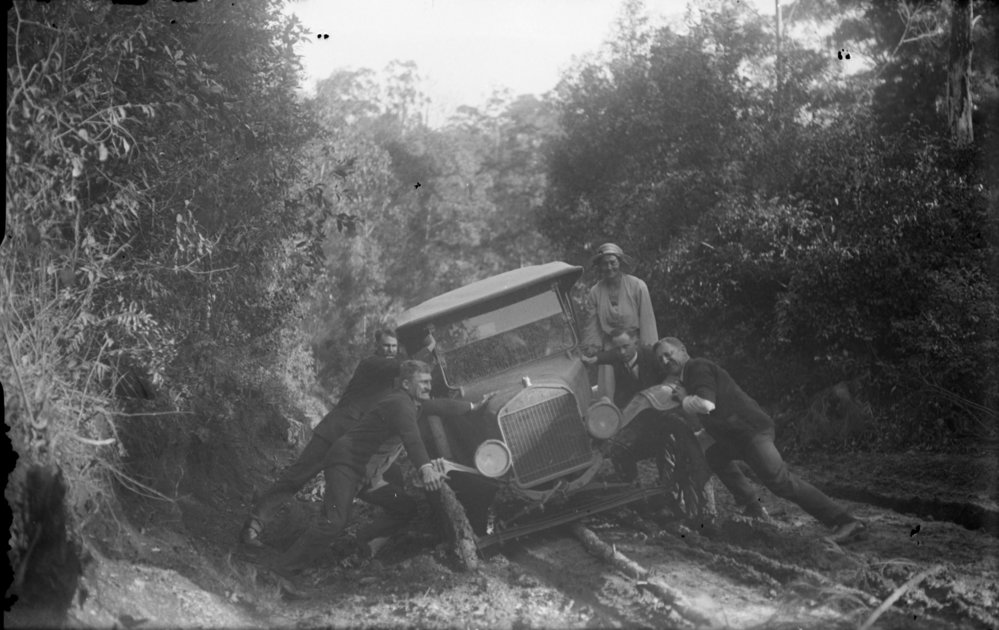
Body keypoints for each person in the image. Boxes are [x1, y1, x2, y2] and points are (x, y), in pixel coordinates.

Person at [267, 360, 492, 577]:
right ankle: (281, 568)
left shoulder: (412, 402)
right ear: (405, 384)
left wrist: (473, 406)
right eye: (422, 382)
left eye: (429, 381)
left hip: (368, 475)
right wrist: (425, 468)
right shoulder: (400, 405)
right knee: (333, 521)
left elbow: (440, 405)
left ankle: (362, 538)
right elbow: (412, 439)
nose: (428, 386)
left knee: (404, 506)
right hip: (346, 467)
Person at [655, 337, 867, 543]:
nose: (665, 361)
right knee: (715, 456)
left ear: (682, 350)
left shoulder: (696, 367)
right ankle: (753, 506)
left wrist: (684, 399)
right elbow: (717, 413)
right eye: (660, 358)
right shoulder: (687, 377)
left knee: (780, 482)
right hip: (737, 435)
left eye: (668, 354)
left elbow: (706, 405)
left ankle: (845, 521)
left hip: (751, 431)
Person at [239, 328, 430, 547]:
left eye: (393, 347)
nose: (390, 350)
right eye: (386, 345)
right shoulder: (372, 364)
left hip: (352, 450)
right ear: (376, 347)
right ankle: (253, 526)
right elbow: (407, 368)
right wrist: (429, 347)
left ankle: (350, 543)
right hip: (333, 434)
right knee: (297, 477)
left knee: (385, 486)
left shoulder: (397, 383)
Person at [582, 243, 658, 402]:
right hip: (611, 347)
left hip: (634, 344)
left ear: (620, 263)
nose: (609, 267)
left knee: (646, 386)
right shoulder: (595, 292)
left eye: (612, 262)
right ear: (599, 266)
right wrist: (592, 351)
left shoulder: (637, 286)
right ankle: (610, 420)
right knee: (608, 393)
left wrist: (649, 351)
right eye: (604, 263)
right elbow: (592, 327)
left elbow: (647, 320)